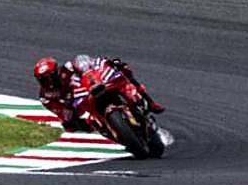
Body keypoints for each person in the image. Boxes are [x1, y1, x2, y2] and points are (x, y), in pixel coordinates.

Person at [33, 54, 164, 131]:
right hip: (81, 104)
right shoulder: (46, 96)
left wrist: (102, 65)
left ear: (56, 71)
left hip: (91, 86)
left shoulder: (67, 69)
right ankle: (111, 130)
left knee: (122, 69)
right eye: (43, 80)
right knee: (82, 125)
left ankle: (150, 102)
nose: (48, 82)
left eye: (49, 77)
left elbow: (84, 62)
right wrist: (69, 120)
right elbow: (60, 112)